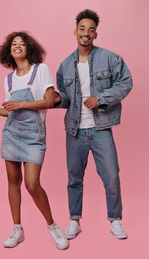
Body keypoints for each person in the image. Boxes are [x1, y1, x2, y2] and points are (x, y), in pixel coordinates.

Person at [0, 31, 68, 250]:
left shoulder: (41, 70)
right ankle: (17, 229)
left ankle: (52, 226)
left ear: (29, 48)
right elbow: (10, 112)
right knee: (13, 182)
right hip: (11, 134)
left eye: (22, 43)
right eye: (14, 44)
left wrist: (20, 105)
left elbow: (49, 102)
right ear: (8, 50)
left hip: (34, 136)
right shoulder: (9, 79)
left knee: (32, 184)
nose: (18, 46)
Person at [54, 9, 133, 240]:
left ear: (95, 34)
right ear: (75, 32)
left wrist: (102, 98)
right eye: (82, 29)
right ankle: (74, 220)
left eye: (90, 29)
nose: (85, 33)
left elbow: (126, 83)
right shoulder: (65, 65)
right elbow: (66, 99)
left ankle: (115, 220)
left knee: (111, 176)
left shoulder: (111, 58)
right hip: (75, 130)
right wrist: (57, 99)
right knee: (74, 177)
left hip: (101, 127)